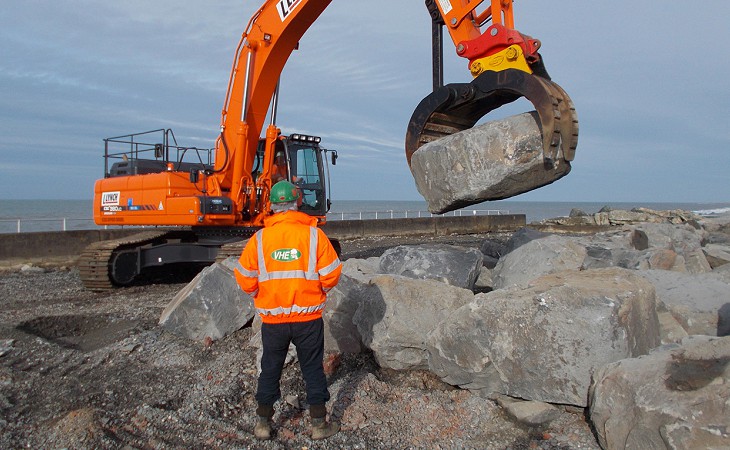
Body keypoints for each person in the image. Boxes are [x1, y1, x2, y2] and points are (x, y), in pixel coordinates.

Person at [233, 180, 342, 441]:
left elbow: (245, 279)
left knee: (270, 367)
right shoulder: (314, 236)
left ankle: (262, 423)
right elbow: (332, 274)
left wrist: (262, 295)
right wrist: (318, 291)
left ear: (271, 206)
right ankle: (318, 425)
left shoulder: (259, 239)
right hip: (308, 318)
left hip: (273, 321)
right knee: (313, 369)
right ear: (298, 203)